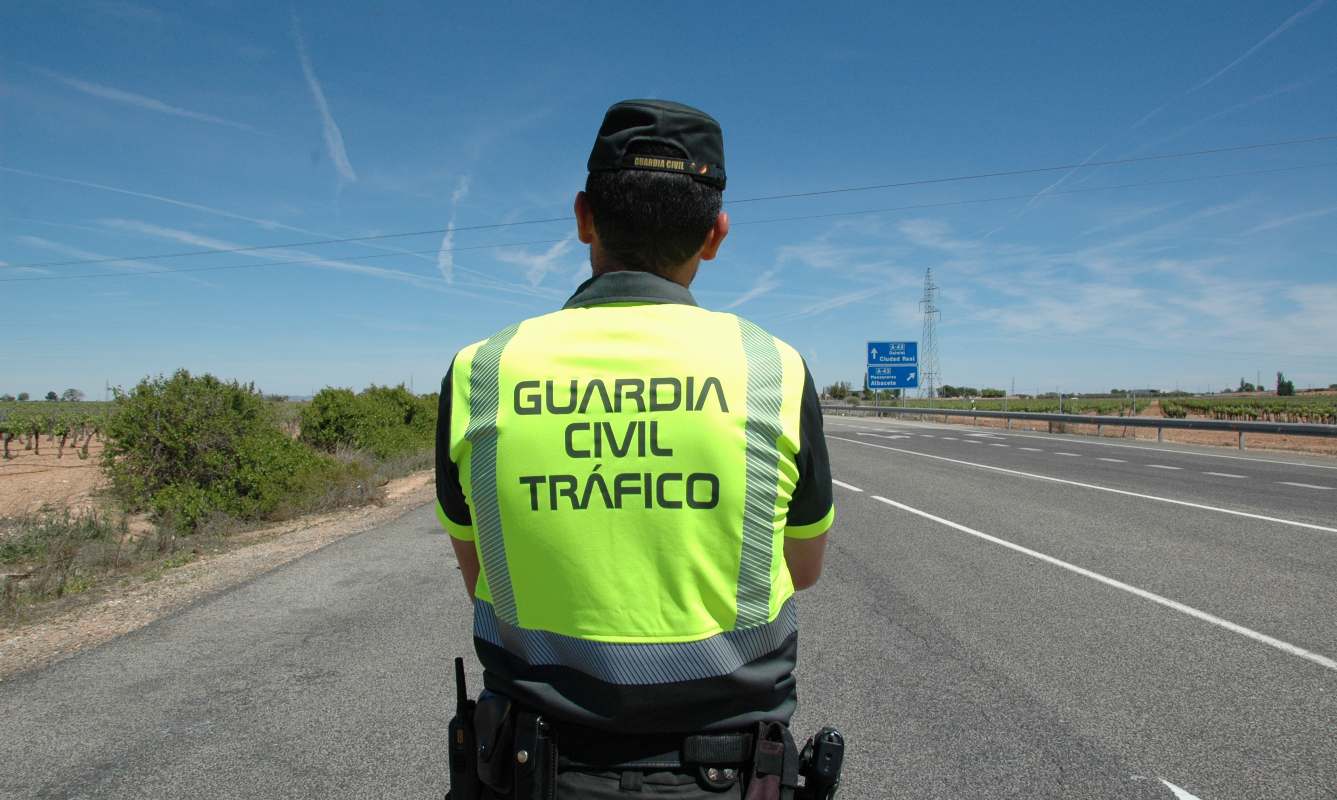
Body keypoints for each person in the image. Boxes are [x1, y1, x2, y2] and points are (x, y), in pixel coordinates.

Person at [436, 98, 835, 798]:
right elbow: (801, 567)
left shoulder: (482, 369)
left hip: (530, 766)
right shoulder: (771, 366)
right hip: (729, 771)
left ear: (583, 216)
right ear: (715, 233)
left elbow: (479, 576)